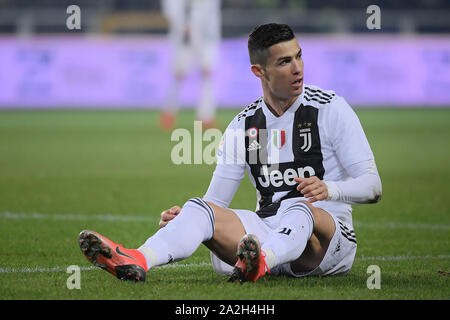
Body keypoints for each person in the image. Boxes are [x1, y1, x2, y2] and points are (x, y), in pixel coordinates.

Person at [78, 23, 382, 283]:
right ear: (258, 71)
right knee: (197, 207)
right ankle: (137, 259)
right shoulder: (246, 126)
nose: (297, 68)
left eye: (299, 56)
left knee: (298, 207)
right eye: (284, 61)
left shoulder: (329, 109)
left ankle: (261, 260)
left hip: (328, 244)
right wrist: (186, 220)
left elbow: (372, 186)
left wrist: (330, 189)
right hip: (264, 233)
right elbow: (216, 203)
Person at [159, 0, 221, 130]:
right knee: (179, 75)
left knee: (207, 74)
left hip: (207, 37)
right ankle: (169, 113)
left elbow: (211, 11)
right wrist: (182, 26)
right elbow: (171, 8)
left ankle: (206, 117)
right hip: (184, 37)